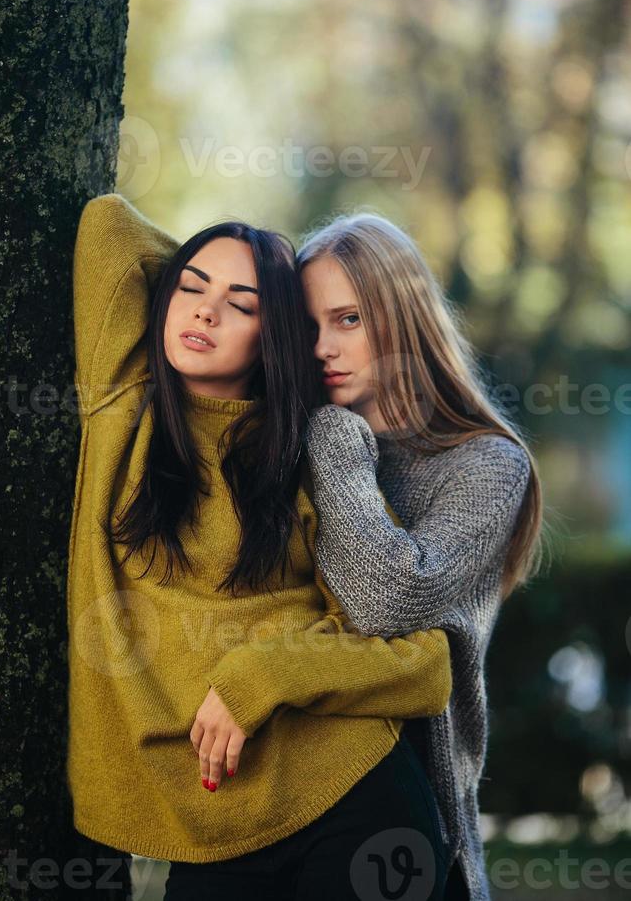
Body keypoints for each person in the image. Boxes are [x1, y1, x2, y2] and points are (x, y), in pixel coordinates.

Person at [68, 192, 456, 901]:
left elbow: (423, 666)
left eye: (242, 305)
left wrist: (261, 677)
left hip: (349, 797)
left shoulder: (312, 457)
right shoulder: (121, 405)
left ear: (273, 331)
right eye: (187, 288)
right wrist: (254, 258)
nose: (204, 312)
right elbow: (108, 226)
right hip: (214, 828)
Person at [296, 212, 545, 901]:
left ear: (401, 317)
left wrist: (333, 441)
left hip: (406, 834)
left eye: (347, 319)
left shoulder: (485, 465)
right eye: (309, 325)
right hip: (276, 806)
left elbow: (389, 600)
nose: (322, 346)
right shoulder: (288, 446)